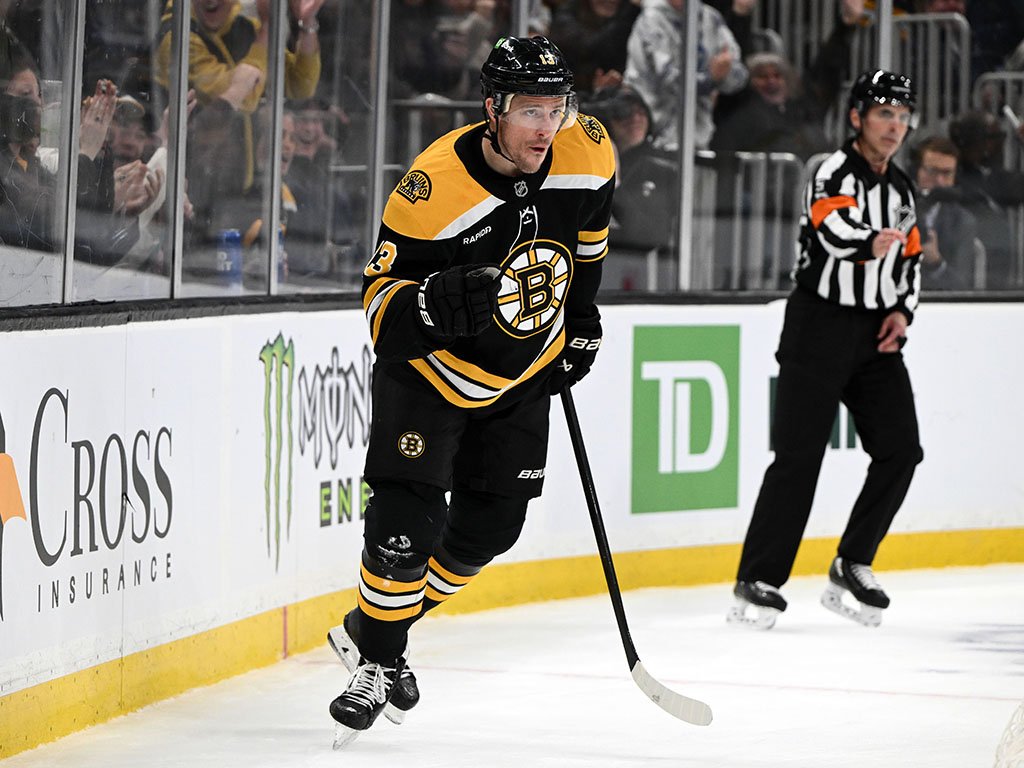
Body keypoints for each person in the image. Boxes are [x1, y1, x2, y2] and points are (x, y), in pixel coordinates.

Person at [326, 35, 615, 746]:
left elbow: (588, 243)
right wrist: (428, 306)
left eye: (557, 109)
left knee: (492, 528)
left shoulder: (590, 149)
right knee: (402, 530)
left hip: (519, 375)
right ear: (492, 108)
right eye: (530, 112)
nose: (547, 128)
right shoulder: (432, 188)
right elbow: (380, 312)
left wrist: (580, 320)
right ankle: (378, 660)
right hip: (428, 378)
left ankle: (373, 628)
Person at [728, 70, 925, 630]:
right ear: (857, 117)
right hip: (818, 326)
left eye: (902, 115)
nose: (895, 125)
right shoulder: (831, 171)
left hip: (874, 337)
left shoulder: (903, 189)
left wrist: (901, 311)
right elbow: (833, 232)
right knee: (798, 456)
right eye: (884, 113)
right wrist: (871, 242)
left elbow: (908, 264)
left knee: (901, 450)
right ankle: (759, 578)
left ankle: (852, 561)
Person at [623, 0, 748, 151]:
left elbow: (739, 74)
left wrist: (724, 75)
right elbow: (669, 79)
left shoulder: (711, 18)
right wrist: (711, 80)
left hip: (699, 135)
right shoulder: (651, 19)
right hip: (655, 134)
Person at [948, 108, 1024, 289]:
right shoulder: (954, 179)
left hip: (998, 278)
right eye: (998, 137)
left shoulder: (994, 176)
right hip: (968, 282)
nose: (1002, 142)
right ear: (977, 141)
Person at [911, 135, 980, 290]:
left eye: (947, 173)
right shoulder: (894, 206)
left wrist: (936, 262)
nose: (940, 181)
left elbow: (961, 286)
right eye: (932, 171)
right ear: (916, 171)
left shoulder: (963, 221)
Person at [548, 0, 643, 94]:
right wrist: (631, 11)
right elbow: (589, 48)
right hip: (570, 97)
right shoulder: (567, 14)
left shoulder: (630, 16)